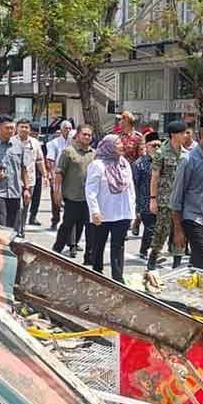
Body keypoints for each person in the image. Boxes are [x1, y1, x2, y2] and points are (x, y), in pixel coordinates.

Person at [171, 116, 203, 270]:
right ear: (202, 134)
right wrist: (178, 230)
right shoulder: (188, 160)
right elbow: (176, 197)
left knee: (197, 264)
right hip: (193, 218)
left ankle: (186, 291)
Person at [85, 134, 136, 283]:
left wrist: (132, 212)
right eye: (117, 144)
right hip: (103, 214)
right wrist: (94, 211)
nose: (121, 146)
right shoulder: (97, 165)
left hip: (122, 213)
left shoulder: (124, 163)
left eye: (121, 144)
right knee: (98, 245)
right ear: (108, 146)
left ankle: (118, 278)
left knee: (118, 246)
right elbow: (90, 190)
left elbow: (130, 189)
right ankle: (97, 275)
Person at [148, 121, 190, 270]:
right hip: (165, 200)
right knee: (161, 230)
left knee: (179, 231)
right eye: (183, 133)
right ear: (174, 134)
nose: (186, 136)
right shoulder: (161, 153)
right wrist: (153, 199)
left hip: (181, 201)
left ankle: (177, 265)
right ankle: (152, 260)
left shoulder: (186, 154)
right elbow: (154, 177)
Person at [53, 124, 96, 262]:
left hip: (88, 198)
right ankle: (56, 251)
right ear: (77, 135)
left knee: (90, 229)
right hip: (72, 197)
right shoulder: (68, 152)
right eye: (84, 134)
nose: (87, 137)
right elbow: (59, 173)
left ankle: (89, 258)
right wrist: (57, 193)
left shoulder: (94, 154)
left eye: (89, 135)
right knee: (67, 225)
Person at [12, 119, 47, 236]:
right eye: (21, 127)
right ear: (17, 128)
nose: (24, 129)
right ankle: (13, 230)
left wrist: (45, 175)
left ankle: (21, 230)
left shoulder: (35, 143)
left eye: (26, 127)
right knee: (16, 206)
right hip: (13, 181)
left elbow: (40, 160)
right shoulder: (11, 142)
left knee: (25, 206)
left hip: (30, 180)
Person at [133, 131, 161, 259]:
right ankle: (147, 251)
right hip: (145, 201)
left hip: (161, 201)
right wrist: (137, 208)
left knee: (157, 229)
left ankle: (146, 250)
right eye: (153, 146)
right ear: (147, 147)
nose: (156, 149)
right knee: (150, 227)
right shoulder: (139, 164)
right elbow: (135, 186)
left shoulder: (162, 162)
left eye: (158, 146)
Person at [44, 121, 73, 230]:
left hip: (71, 176)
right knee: (56, 200)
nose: (68, 130)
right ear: (61, 130)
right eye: (66, 128)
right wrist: (51, 176)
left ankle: (68, 222)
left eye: (70, 128)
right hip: (58, 174)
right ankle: (55, 220)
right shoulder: (53, 143)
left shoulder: (74, 143)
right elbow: (50, 160)